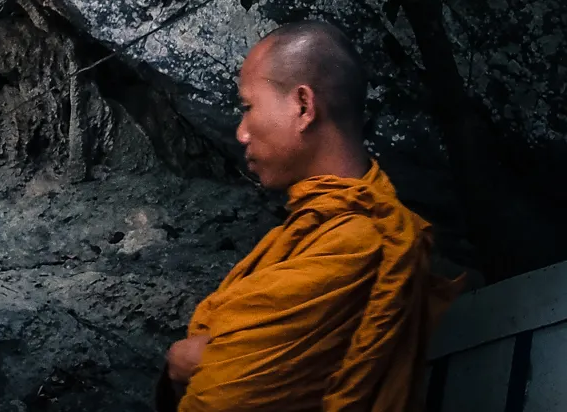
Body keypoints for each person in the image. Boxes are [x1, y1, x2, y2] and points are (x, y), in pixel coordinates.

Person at [161, 21, 455, 411]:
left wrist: (199, 359)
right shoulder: (317, 226)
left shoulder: (360, 241)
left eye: (248, 107)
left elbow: (227, 395)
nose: (242, 133)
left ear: (303, 106)